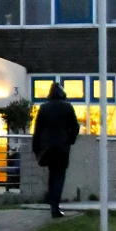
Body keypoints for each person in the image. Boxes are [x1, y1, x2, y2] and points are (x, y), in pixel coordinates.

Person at [32, 82, 80, 218]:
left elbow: (37, 130)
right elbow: (75, 128)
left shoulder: (43, 108)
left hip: (47, 147)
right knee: (59, 175)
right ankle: (55, 206)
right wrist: (70, 140)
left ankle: (52, 204)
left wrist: (36, 148)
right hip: (62, 147)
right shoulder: (67, 107)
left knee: (52, 174)